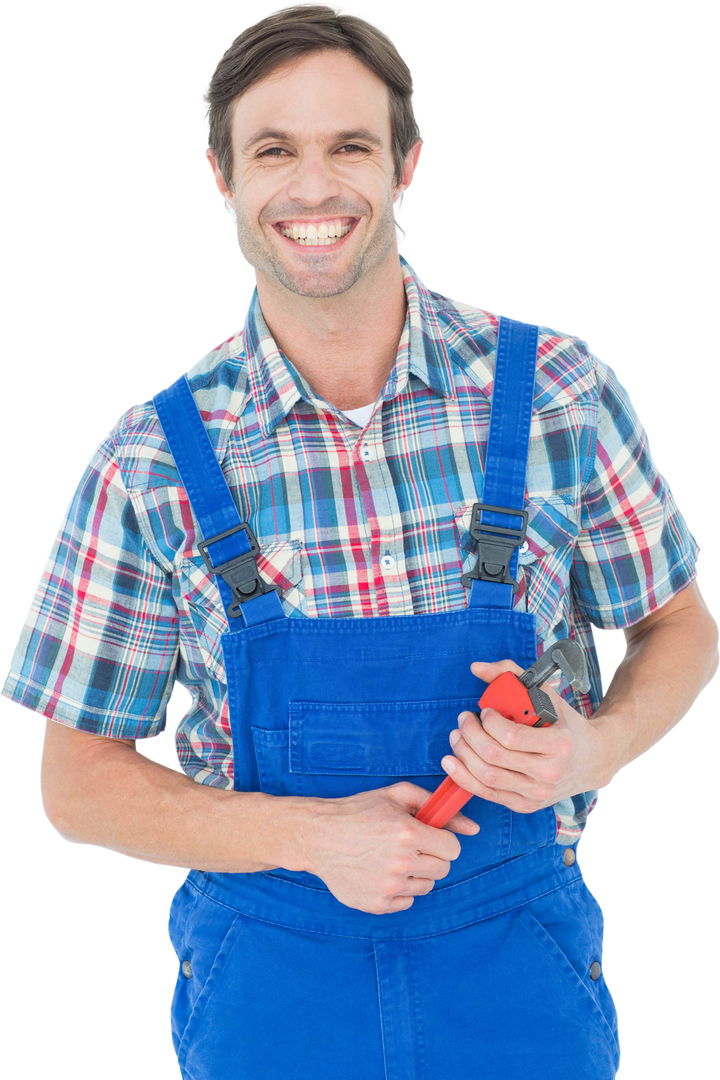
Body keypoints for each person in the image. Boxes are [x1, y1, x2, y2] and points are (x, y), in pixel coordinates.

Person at [3, 3, 717, 1078]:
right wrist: (310, 837)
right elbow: (76, 785)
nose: (314, 186)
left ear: (406, 166)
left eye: (350, 146)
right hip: (272, 1001)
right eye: (274, 150)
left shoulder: (556, 390)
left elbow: (680, 627)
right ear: (222, 179)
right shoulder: (151, 457)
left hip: (517, 980)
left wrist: (591, 748)